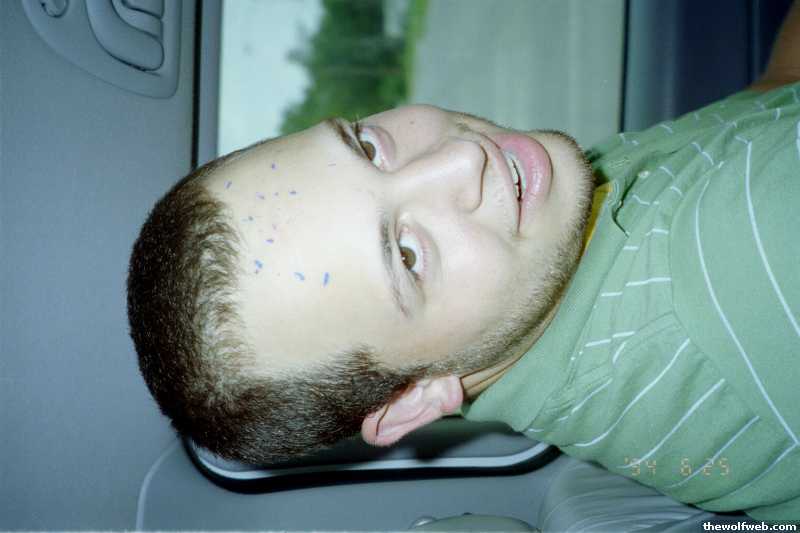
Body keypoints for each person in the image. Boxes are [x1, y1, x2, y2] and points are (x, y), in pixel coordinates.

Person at [127, 1, 800, 523]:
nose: (461, 159)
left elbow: (777, 90)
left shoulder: (566, 257)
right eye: (407, 256)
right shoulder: (745, 245)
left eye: (368, 147)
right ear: (414, 399)